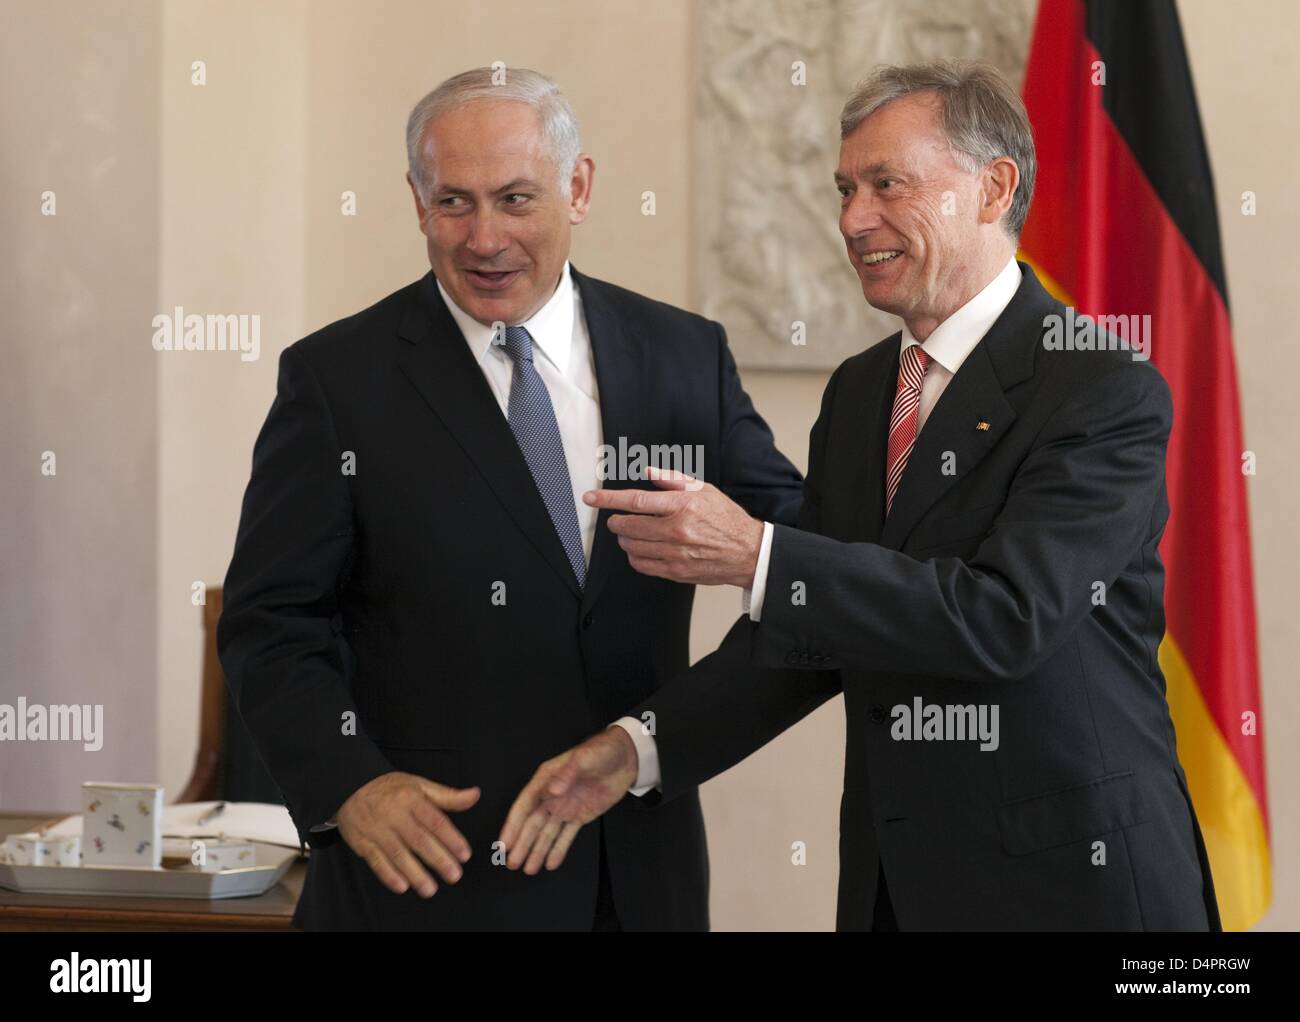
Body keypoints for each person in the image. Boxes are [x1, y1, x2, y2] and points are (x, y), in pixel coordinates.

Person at [501, 60, 1220, 932]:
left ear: (993, 189)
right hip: (897, 890)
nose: (851, 220)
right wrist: (636, 749)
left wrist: (756, 552)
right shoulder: (859, 394)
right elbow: (814, 632)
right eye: (845, 188)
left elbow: (1005, 617)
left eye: (887, 184)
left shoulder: (1101, 386)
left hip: (1078, 891)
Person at [217, 66, 802, 931]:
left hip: (637, 877)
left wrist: (657, 740)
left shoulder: (684, 358)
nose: (484, 237)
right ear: (417, 204)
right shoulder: (338, 381)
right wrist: (350, 784)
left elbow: (802, 566)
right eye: (453, 202)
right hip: (426, 880)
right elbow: (270, 625)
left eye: (516, 199)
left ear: (580, 187)